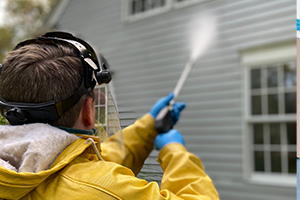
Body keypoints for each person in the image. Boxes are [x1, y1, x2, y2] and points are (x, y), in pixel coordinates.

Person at [0, 31, 219, 200]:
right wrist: (175, 152)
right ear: (88, 111)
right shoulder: (105, 192)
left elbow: (85, 168)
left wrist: (148, 128)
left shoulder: (16, 169)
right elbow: (97, 182)